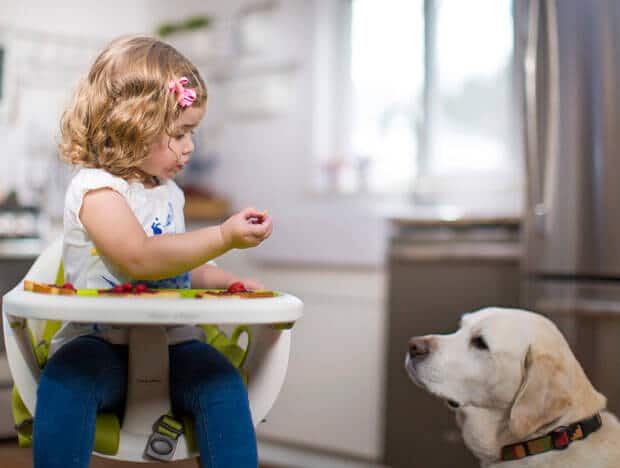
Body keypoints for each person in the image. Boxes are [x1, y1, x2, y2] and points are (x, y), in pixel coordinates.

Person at [32, 35, 271, 468]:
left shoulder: (170, 193)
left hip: (174, 343)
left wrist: (225, 281)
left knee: (223, 384)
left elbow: (177, 269)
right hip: (100, 343)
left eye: (192, 133)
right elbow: (139, 258)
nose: (190, 146)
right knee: (66, 383)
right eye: (179, 133)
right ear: (131, 124)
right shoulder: (96, 188)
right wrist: (222, 236)